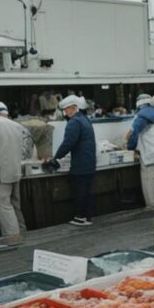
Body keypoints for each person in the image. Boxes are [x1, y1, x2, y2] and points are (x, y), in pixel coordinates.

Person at [0, 102, 28, 242]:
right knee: (15, 204)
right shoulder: (17, 126)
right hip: (16, 170)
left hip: (2, 172)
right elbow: (25, 149)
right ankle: (22, 231)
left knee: (4, 206)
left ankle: (13, 237)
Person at [51, 96, 96, 227]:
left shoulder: (74, 122)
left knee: (79, 191)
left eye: (65, 110)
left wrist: (56, 157)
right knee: (87, 192)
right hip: (89, 163)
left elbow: (68, 143)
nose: (65, 113)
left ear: (72, 109)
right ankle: (87, 217)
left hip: (80, 164)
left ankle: (80, 217)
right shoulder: (85, 120)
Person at [126, 94, 154, 209]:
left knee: (148, 182)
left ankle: (152, 206)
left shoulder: (142, 116)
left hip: (148, 154)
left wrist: (130, 147)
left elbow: (134, 133)